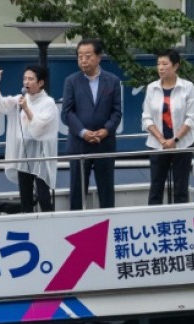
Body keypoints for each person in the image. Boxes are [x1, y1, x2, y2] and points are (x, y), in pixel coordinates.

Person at [62, 37, 123, 210]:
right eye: (80, 56)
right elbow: (67, 112)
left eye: (88, 56)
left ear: (99, 57)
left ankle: (109, 224)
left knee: (106, 190)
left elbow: (117, 112)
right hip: (79, 144)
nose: (83, 60)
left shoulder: (112, 80)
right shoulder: (71, 81)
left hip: (104, 143)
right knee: (77, 190)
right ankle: (75, 225)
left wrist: (106, 130)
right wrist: (83, 132)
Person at [0, 64, 59, 213]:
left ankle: (51, 226)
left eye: (31, 79)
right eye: (24, 78)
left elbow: (39, 128)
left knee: (43, 196)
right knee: (25, 197)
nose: (26, 82)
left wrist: (26, 109)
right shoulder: (20, 99)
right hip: (23, 154)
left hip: (41, 156)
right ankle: (28, 225)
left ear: (40, 83)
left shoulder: (49, 103)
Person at [142, 49, 194, 205]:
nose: (161, 67)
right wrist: (162, 140)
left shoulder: (188, 88)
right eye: (158, 64)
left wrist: (175, 139)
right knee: (156, 187)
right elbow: (146, 118)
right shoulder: (151, 88)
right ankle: (154, 221)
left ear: (175, 66)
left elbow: (191, 118)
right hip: (157, 144)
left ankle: (180, 222)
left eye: (165, 64)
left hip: (182, 143)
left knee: (181, 187)